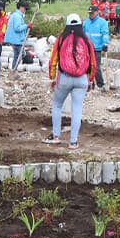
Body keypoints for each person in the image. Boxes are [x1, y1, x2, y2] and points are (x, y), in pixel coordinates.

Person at [45, 13, 97, 149]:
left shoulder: (61, 39)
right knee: (77, 109)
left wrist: (52, 78)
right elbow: (93, 62)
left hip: (64, 78)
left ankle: (56, 136)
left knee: (57, 105)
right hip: (81, 79)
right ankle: (73, 142)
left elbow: (53, 60)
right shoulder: (86, 40)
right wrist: (90, 79)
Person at [82, 5, 109, 89]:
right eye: (89, 13)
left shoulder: (102, 22)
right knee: (86, 66)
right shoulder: (85, 22)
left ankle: (100, 84)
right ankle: (88, 83)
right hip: (86, 48)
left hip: (96, 48)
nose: (91, 14)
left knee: (96, 67)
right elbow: (82, 34)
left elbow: (105, 33)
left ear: (97, 12)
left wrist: (105, 44)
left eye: (92, 13)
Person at [5, 0, 32, 74]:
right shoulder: (17, 16)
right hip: (16, 40)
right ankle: (13, 71)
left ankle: (14, 70)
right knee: (19, 56)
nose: (25, 10)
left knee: (18, 56)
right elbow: (17, 28)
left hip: (16, 39)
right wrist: (27, 25)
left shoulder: (16, 15)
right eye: (25, 8)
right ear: (21, 7)